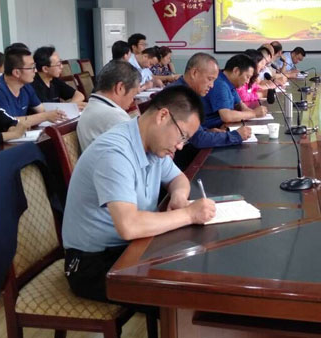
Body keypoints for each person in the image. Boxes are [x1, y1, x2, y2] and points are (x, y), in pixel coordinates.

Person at [61, 86, 216, 301]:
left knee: (199, 268)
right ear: (163, 116)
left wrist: (179, 197)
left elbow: (178, 179)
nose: (180, 146)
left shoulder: (153, 146)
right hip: (92, 263)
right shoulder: (115, 153)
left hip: (133, 248)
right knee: (189, 293)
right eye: (182, 136)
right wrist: (189, 214)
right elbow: (129, 226)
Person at [167, 53, 252, 169]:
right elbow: (198, 139)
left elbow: (193, 133)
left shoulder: (188, 92)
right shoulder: (179, 96)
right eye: (210, 79)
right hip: (178, 158)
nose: (212, 86)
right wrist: (235, 136)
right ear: (194, 73)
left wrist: (207, 130)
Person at [0, 46, 67, 126]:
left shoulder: (26, 86)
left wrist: (58, 114)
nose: (35, 70)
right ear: (16, 73)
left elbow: (42, 110)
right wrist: (45, 116)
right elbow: (9, 121)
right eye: (32, 67)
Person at [78, 60, 141, 150]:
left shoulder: (92, 106)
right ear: (120, 88)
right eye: (133, 94)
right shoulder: (114, 115)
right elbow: (138, 150)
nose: (132, 100)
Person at [201, 54, 267, 129]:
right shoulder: (220, 84)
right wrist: (254, 113)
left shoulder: (230, 82)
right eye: (247, 77)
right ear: (236, 71)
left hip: (222, 127)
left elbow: (240, 106)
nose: (247, 82)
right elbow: (227, 116)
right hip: (208, 130)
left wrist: (252, 112)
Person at [31, 46, 86, 110]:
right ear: (45, 69)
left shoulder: (54, 80)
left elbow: (79, 95)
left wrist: (69, 106)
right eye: (58, 64)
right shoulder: (33, 85)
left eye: (61, 63)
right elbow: (44, 110)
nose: (62, 67)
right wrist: (68, 108)